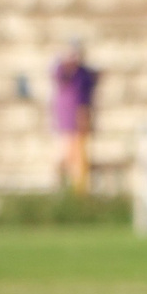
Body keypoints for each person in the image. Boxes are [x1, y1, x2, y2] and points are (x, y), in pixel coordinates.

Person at [51, 43, 99, 195]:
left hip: (79, 122)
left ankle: (79, 193)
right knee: (67, 158)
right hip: (67, 122)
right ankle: (65, 190)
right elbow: (59, 75)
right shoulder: (64, 71)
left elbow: (86, 96)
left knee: (79, 159)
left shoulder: (83, 74)